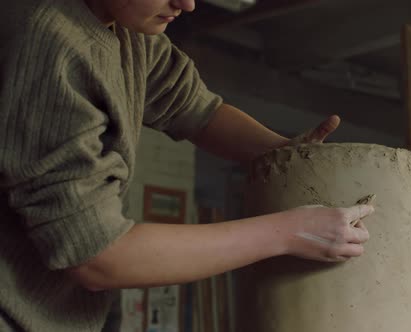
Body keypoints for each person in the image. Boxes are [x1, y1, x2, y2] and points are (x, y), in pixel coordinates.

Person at [0, 0, 375, 331]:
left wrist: (287, 153)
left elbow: (195, 109)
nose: (189, 4)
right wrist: (289, 233)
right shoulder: (49, 41)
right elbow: (97, 257)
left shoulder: (129, 28)